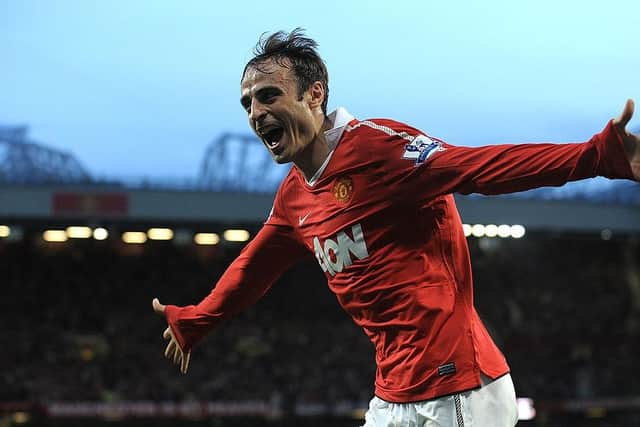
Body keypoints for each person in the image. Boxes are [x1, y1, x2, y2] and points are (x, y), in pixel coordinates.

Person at [152, 28, 639, 426]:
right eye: (247, 104)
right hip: (392, 396)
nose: (256, 113)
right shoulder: (295, 196)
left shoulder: (381, 149)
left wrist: (597, 155)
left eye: (267, 96)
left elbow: (482, 167)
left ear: (315, 94)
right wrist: (199, 318)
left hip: (460, 391)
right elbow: (252, 269)